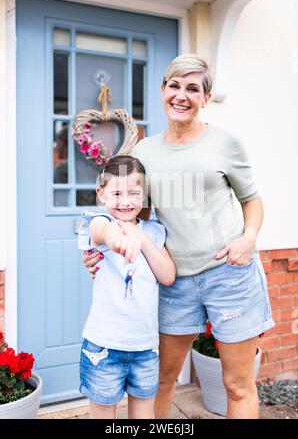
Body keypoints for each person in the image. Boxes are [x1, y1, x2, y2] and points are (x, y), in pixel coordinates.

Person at [83, 54, 275, 419]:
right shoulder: (144, 152)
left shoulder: (226, 143)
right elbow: (130, 216)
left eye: (193, 88)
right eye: (174, 86)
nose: (181, 95)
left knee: (237, 384)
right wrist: (100, 247)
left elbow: (252, 201)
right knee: (161, 378)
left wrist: (248, 238)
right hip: (173, 284)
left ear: (206, 96)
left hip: (229, 275)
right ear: (163, 90)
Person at [78, 155, 176, 419]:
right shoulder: (97, 221)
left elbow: (167, 275)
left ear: (143, 195)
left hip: (145, 346)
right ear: (101, 194)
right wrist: (119, 241)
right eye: (117, 192)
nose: (125, 201)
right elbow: (103, 232)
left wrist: (140, 238)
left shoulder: (153, 232)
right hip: (104, 347)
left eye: (134, 193)